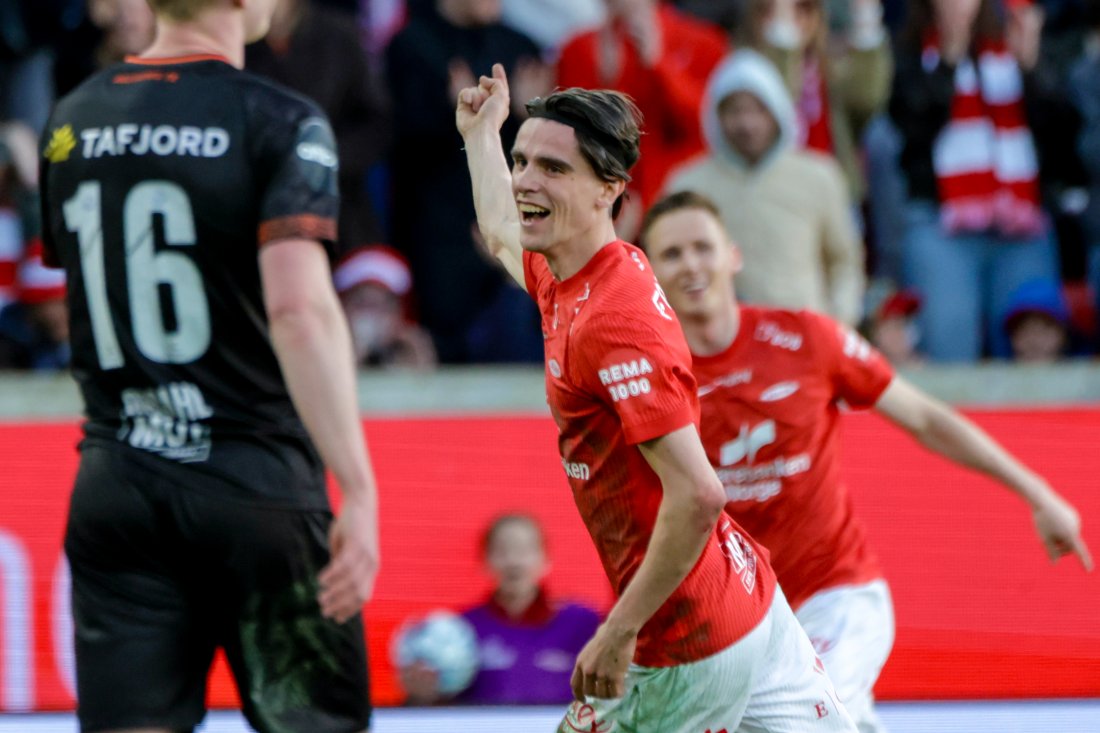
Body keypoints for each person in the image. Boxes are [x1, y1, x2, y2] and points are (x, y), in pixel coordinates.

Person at [457, 63, 858, 732]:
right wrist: (481, 135)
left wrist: (618, 631)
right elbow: (503, 227)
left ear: (609, 189)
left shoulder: (613, 322)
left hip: (686, 640)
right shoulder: (575, 266)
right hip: (745, 595)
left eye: (553, 169)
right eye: (521, 160)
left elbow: (700, 493)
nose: (525, 179)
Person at [38, 0, 380, 731]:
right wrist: (357, 482)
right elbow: (299, 312)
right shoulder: (281, 119)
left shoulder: (73, 119)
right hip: (256, 486)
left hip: (118, 483)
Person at [637, 189, 1093, 733]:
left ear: (732, 254)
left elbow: (924, 418)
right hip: (736, 617)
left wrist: (1038, 492)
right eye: (672, 254)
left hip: (837, 596)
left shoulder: (806, 339)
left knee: (803, 715)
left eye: (702, 247)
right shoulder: (652, 377)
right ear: (650, 272)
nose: (691, 264)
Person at [888, 0, 1078, 361]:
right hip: (940, 225)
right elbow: (910, 133)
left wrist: (1031, 67)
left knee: (1033, 358)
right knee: (948, 348)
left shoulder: (1026, 44)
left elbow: (1064, 139)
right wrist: (948, 56)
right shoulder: (909, 50)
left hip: (1022, 227)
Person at [385, 0, 550, 364]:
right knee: (449, 344)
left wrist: (529, 113)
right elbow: (397, 143)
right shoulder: (411, 45)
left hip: (513, 215)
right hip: (440, 226)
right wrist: (452, 115)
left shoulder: (522, 46)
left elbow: (546, 151)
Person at [664, 49, 865, 326]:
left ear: (778, 112)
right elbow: (666, 270)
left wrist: (839, 323)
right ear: (717, 116)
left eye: (758, 110)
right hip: (717, 340)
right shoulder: (686, 185)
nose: (747, 124)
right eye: (735, 111)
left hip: (803, 337)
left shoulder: (819, 176)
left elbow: (845, 262)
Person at [399, 513, 602, 705]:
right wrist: (421, 695)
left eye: (524, 551)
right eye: (502, 551)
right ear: (484, 561)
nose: (513, 561)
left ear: (546, 559)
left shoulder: (585, 624)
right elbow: (438, 711)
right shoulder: (459, 632)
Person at [555, 0, 728, 222]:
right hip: (600, 203)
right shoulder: (576, 47)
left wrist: (659, 65)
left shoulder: (704, 41)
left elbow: (708, 126)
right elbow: (571, 132)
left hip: (673, 202)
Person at [737, 0, 891, 203]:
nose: (794, 20)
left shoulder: (830, 69)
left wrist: (865, 13)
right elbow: (773, 100)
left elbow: (867, 98)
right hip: (774, 197)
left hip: (834, 195)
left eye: (805, 8)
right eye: (772, 11)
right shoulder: (740, 71)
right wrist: (783, 35)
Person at [334, 245, 437, 369]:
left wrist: (421, 358)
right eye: (361, 302)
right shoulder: (323, 347)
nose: (372, 312)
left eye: (383, 304)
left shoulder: (406, 350)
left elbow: (426, 385)